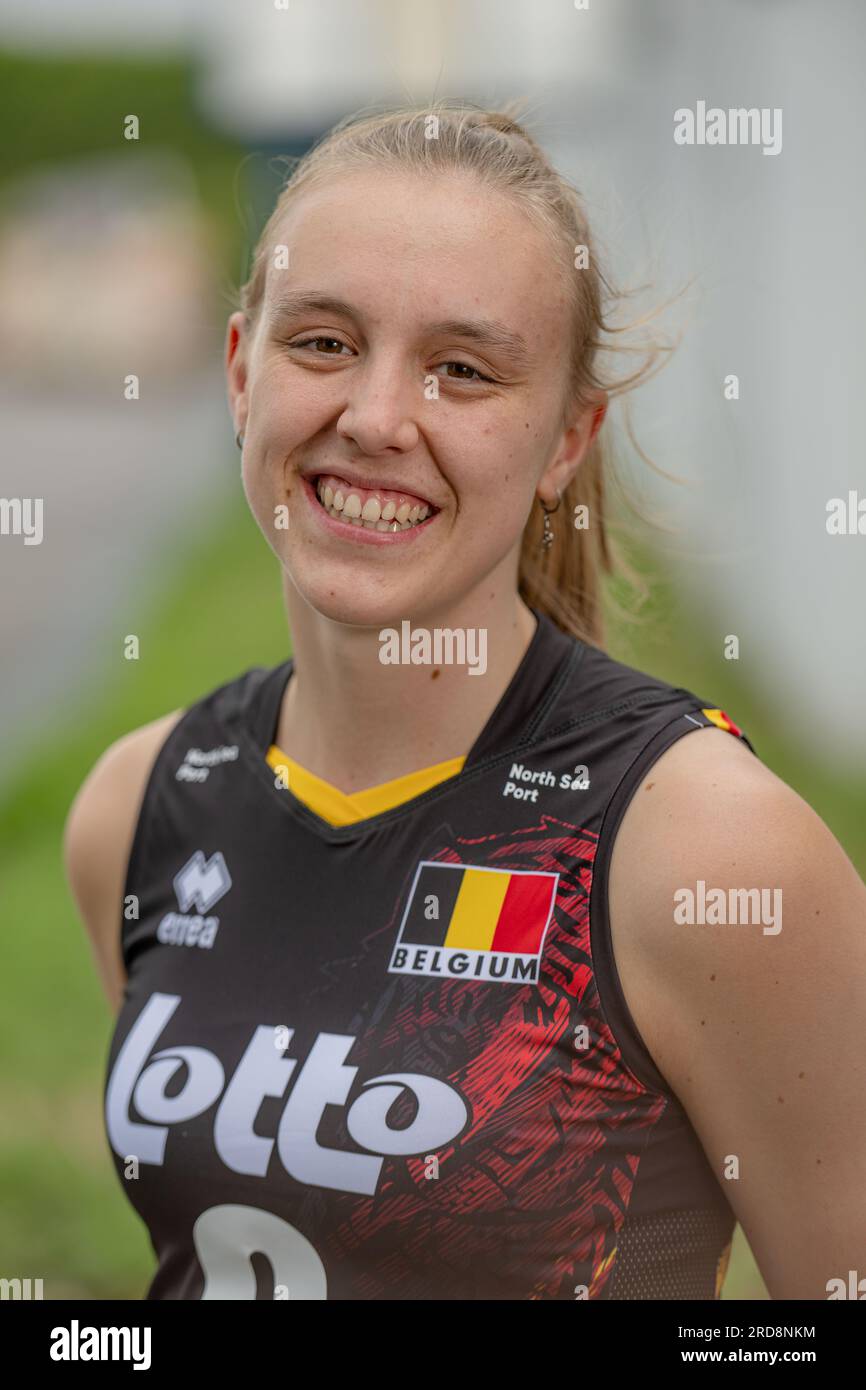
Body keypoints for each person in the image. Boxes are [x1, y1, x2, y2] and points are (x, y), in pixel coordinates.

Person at [64, 102, 866, 1301]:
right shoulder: (140, 804)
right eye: (324, 343)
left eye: (462, 370)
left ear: (563, 441)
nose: (377, 419)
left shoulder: (703, 847)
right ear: (240, 372)